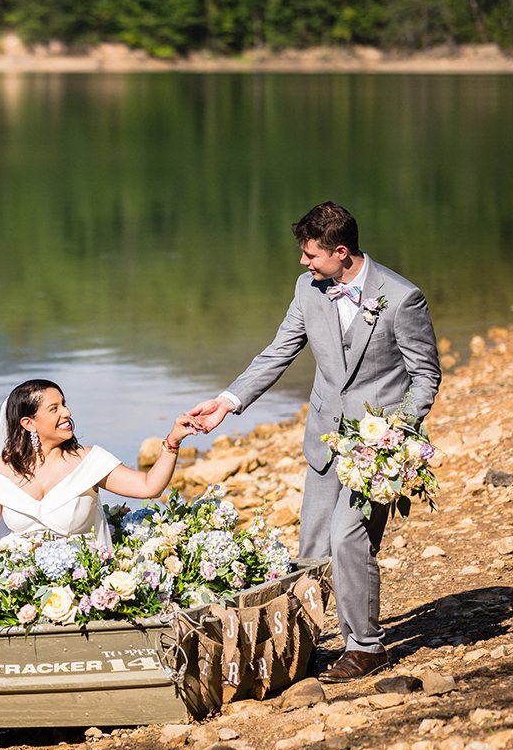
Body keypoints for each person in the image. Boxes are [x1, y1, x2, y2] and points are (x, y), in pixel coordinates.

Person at [186, 202, 440, 683]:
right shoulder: (308, 288)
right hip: (324, 437)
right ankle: (302, 648)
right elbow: (280, 349)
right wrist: (227, 401)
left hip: (377, 450)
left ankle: (366, 648)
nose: (303, 263)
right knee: (313, 548)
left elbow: (425, 376)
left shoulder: (403, 298)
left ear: (341, 252)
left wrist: (397, 432)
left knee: (349, 537)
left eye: (311, 255)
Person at [0, 378, 198, 623]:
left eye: (64, 405)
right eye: (54, 408)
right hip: (18, 577)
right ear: (28, 423)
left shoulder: (89, 461)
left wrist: (172, 442)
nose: (66, 412)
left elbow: (149, 486)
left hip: (83, 578)